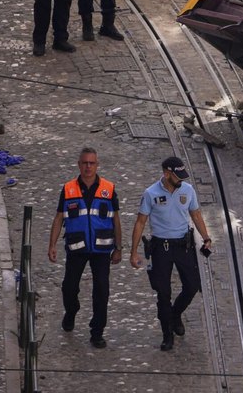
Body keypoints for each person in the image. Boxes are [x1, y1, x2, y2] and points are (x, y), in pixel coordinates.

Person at [129, 156, 212, 351]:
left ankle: (176, 314)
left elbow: (196, 214)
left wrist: (206, 237)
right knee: (163, 293)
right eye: (177, 175)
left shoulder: (188, 190)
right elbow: (141, 222)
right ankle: (167, 333)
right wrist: (133, 252)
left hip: (183, 246)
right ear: (167, 173)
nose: (181, 179)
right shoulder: (151, 193)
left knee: (192, 286)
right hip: (161, 248)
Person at [48, 147, 122, 349]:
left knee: (102, 291)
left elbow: (116, 219)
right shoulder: (68, 189)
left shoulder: (108, 188)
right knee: (69, 288)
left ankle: (97, 332)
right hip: (76, 247)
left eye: (92, 163)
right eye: (85, 163)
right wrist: (52, 245)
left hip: (101, 249)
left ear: (97, 165)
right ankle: (71, 311)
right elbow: (58, 218)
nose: (88, 166)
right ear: (79, 164)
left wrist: (119, 248)